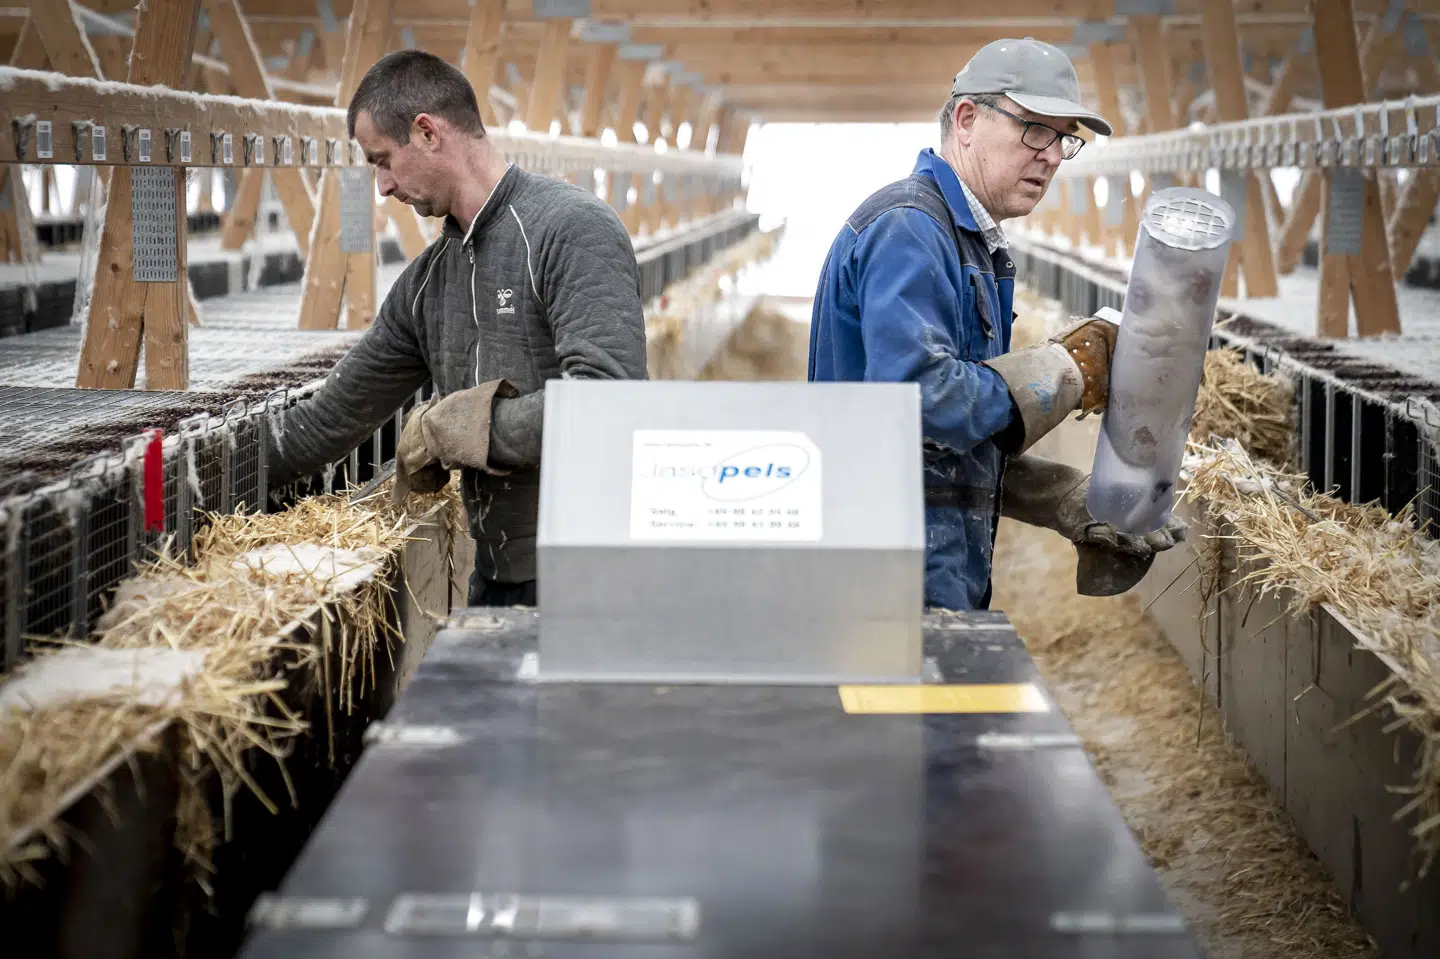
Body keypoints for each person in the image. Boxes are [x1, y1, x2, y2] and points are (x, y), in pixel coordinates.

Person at [808, 37, 1185, 611]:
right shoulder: (910, 230)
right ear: (966, 119)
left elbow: (939, 446)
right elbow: (919, 403)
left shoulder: (968, 246)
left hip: (923, 565)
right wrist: (1064, 371)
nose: (1054, 155)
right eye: (1035, 129)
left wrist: (1066, 498)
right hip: (887, 576)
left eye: (1064, 139)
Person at [265, 50, 648, 607]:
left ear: (426, 132)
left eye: (383, 160)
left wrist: (459, 429)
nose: (382, 186)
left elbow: (609, 402)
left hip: (593, 573)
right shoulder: (429, 284)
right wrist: (182, 476)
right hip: (500, 573)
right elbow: (329, 420)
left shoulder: (567, 229)